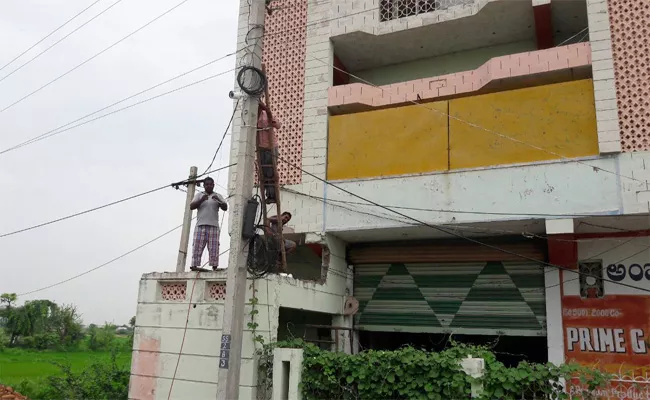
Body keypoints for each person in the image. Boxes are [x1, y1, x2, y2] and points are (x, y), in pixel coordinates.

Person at [189, 177, 227, 271]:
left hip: (213, 225)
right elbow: (191, 206)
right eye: (207, 184)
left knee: (214, 247)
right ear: (204, 185)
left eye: (211, 184)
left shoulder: (217, 196)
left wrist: (219, 200)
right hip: (200, 225)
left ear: (213, 185)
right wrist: (202, 199)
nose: (209, 186)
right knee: (197, 245)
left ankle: (214, 266)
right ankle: (194, 265)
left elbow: (225, 207)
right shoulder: (199, 195)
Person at [257, 101, 281, 204]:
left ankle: (273, 196)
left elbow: (277, 125)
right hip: (261, 147)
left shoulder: (266, 114)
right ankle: (269, 195)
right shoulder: (252, 115)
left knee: (271, 173)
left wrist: (267, 110)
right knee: (264, 174)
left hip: (271, 146)